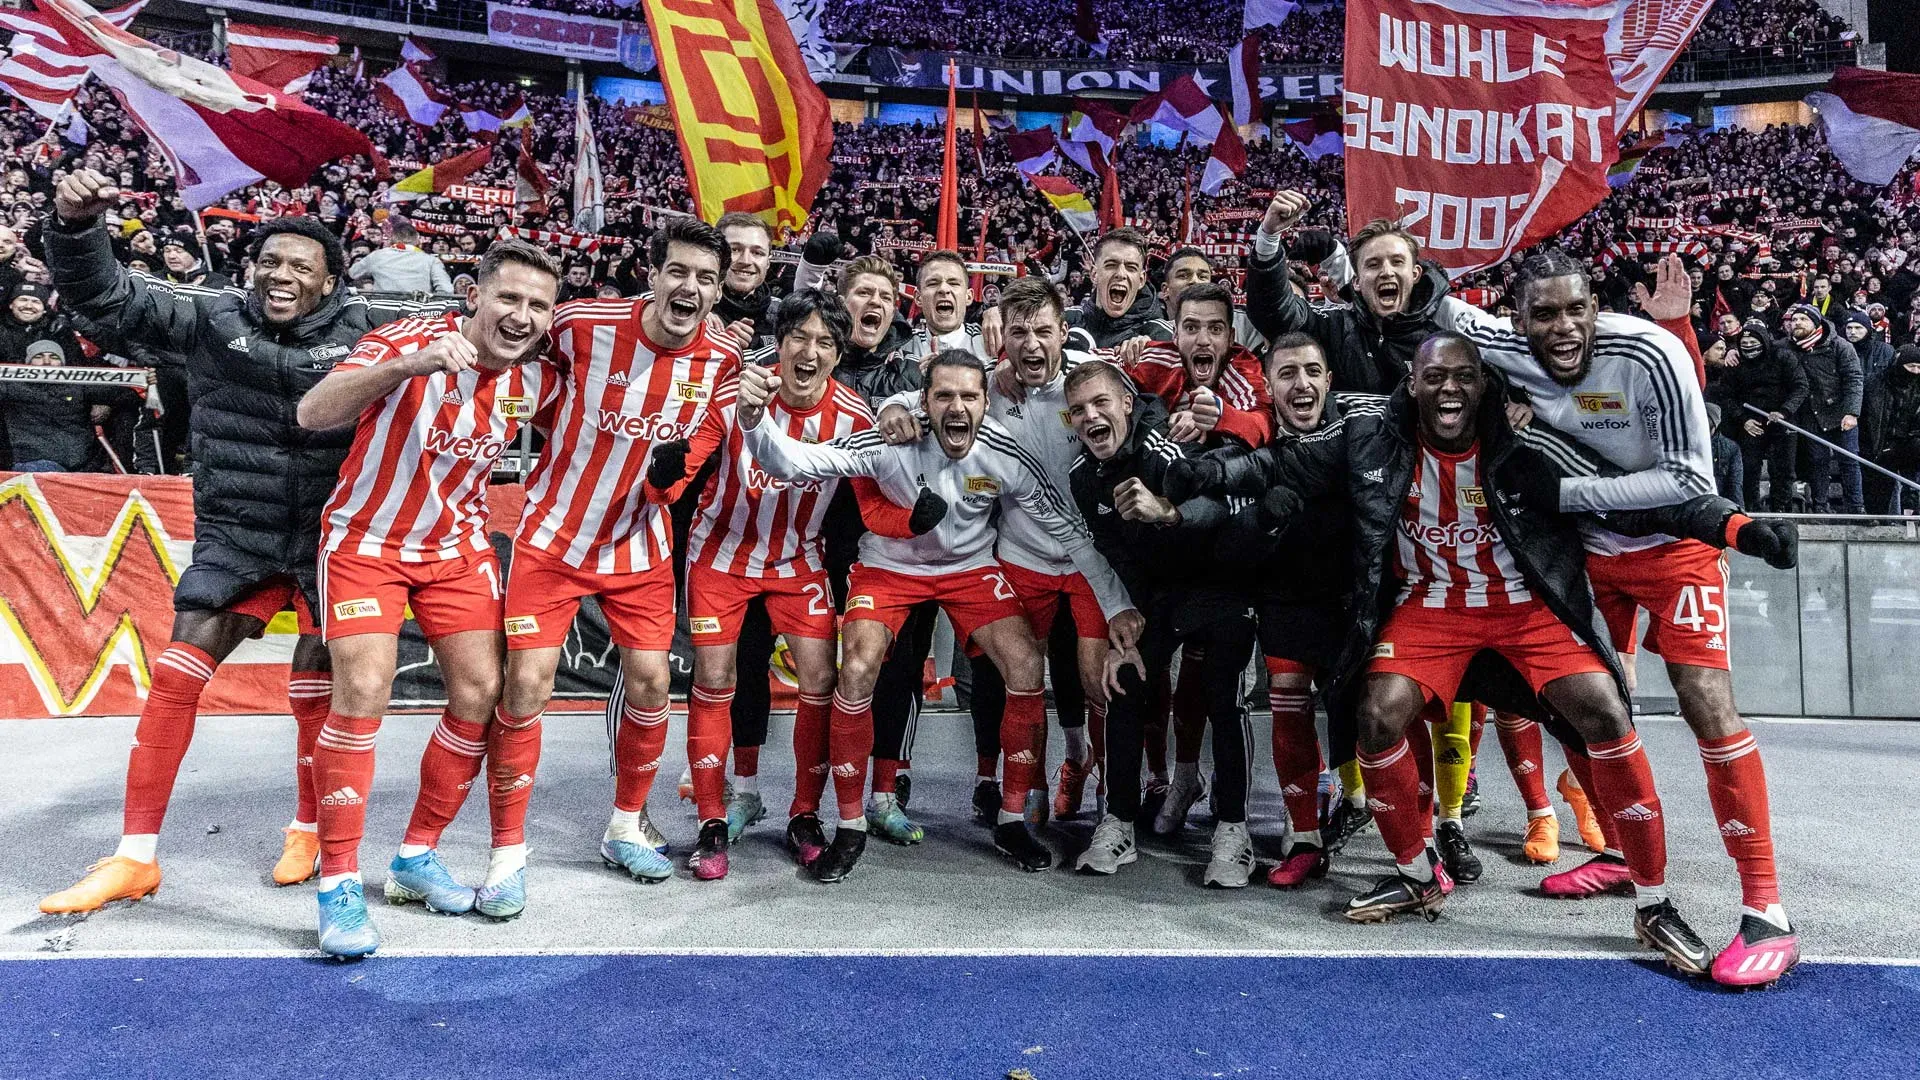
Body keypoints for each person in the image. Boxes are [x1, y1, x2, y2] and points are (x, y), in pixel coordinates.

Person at [1166, 333, 1715, 967]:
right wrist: (1196, 472)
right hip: (1430, 605)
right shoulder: (1371, 435)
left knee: (1605, 713)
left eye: (1463, 376)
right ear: (1412, 385)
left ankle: (1653, 902)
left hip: (1526, 607)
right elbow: (1277, 464)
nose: (1448, 388)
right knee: (1375, 714)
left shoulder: (1525, 442)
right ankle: (1417, 871)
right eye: (1434, 378)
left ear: (1483, 385)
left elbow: (1627, 491)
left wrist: (1723, 520)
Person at [37, 168, 442, 915]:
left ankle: (309, 828)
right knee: (177, 677)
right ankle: (135, 858)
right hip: (235, 535)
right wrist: (74, 228)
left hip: (334, 538)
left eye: (300, 267)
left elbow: (485, 332)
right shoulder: (209, 319)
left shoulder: (372, 330)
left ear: (329, 284)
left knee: (320, 691)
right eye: (271, 263)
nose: (281, 276)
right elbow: (108, 295)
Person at [1447, 250, 1805, 987]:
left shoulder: (1651, 347)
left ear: (1595, 305)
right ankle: (1620, 854)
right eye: (1543, 313)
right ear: (1519, 320)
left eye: (1575, 308)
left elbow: (1685, 480)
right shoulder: (1505, 347)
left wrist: (1568, 491)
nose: (1562, 326)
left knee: (1706, 701)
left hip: (1677, 549)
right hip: (1590, 561)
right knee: (1588, 710)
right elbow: (1426, 304)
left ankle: (1767, 907)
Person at [733, 349, 1140, 880]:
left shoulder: (1006, 454)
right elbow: (790, 462)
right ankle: (851, 824)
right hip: (888, 567)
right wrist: (753, 419)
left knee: (1023, 666)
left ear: (984, 402)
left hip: (970, 568)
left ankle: (1012, 819)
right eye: (944, 395)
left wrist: (1119, 604)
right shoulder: (886, 442)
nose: (958, 406)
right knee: (856, 669)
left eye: (969, 396)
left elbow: (1072, 535)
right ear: (923, 402)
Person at [292, 239, 561, 956]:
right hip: (366, 543)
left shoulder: (530, 382)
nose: (521, 315)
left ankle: (415, 855)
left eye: (538, 305)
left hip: (456, 548)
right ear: (473, 295)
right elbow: (312, 413)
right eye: (508, 297)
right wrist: (409, 366)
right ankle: (339, 884)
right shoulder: (406, 339)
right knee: (365, 689)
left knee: (482, 692)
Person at [641, 288, 941, 876]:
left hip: (797, 561)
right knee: (716, 677)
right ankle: (712, 819)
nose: (809, 351)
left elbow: (871, 508)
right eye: (798, 338)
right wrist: (662, 477)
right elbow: (681, 479)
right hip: (719, 558)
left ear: (837, 352)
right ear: (777, 346)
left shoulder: (855, 416)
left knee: (823, 678)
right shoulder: (736, 396)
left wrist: (910, 520)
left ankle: (805, 814)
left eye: (824, 341)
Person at [499, 217, 741, 886]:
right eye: (680, 271)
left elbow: (697, 451)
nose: (689, 287)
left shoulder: (721, 364)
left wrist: (666, 480)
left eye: (705, 279)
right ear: (654, 273)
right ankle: (507, 853)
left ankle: (625, 823)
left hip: (638, 543)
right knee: (524, 686)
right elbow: (531, 381)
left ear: (719, 292)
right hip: (554, 533)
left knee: (655, 681)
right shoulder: (580, 323)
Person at [876, 278, 1108, 830]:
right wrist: (891, 407)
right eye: (1019, 331)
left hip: (1090, 556)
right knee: (1007, 674)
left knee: (1093, 678)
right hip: (1020, 554)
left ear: (1062, 332)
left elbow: (1137, 392)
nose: (1031, 345)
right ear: (1000, 334)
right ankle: (1014, 785)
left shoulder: (1087, 375)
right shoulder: (988, 386)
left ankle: (1099, 784)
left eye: (1043, 332)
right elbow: (924, 394)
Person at [1064, 360, 1260, 886]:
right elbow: (1116, 553)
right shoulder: (1083, 477)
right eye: (1079, 410)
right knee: (1125, 680)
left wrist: (1167, 511)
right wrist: (1124, 618)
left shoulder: (1166, 445)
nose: (1090, 416)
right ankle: (1120, 820)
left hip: (1219, 579)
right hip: (1159, 596)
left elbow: (1223, 505)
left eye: (1101, 403)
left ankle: (1233, 828)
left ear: (1127, 402)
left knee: (1223, 693)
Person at [1245, 193, 1457, 393]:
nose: (1386, 272)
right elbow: (1274, 314)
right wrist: (1269, 237)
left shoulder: (1447, 334)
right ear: (1356, 282)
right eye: (1373, 264)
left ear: (1415, 274)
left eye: (1397, 262)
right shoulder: (1336, 328)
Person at [1712, 320, 1806, 511]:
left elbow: (1800, 387)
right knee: (1749, 467)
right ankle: (1751, 507)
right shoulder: (1736, 364)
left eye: (1753, 344)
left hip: (1781, 420)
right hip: (1750, 422)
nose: (1749, 348)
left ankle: (1782, 508)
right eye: (1744, 345)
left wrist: (1784, 411)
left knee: (1783, 469)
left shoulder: (1783, 357)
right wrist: (1743, 419)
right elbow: (1727, 395)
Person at [0, 336, 131, 472]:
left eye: (53, 357)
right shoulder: (12, 386)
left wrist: (107, 404)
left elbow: (127, 394)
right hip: (32, 463)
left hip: (81, 465)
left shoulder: (78, 386)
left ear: (62, 363)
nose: (47, 362)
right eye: (39, 356)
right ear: (28, 362)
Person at [1783, 303, 1865, 514]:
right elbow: (1764, 349)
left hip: (1840, 411)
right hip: (1810, 412)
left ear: (1816, 322)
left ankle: (1856, 509)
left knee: (1849, 460)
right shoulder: (1785, 347)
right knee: (1817, 461)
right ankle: (1820, 507)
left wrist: (1852, 412)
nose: (1797, 323)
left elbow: (1854, 379)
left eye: (1803, 319)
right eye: (1794, 320)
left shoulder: (1840, 345)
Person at [1065, 228, 1163, 350]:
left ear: (1141, 280)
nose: (1121, 274)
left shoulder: (1158, 335)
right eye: (1111, 265)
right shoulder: (1065, 320)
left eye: (1131, 267)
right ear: (1094, 275)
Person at [1862, 345, 1920, 514]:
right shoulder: (1875, 383)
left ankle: (1911, 512)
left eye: (1918, 367)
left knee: (1912, 479)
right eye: (1911, 367)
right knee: (1880, 484)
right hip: (1881, 442)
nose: (1915, 372)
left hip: (1911, 441)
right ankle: (1878, 517)